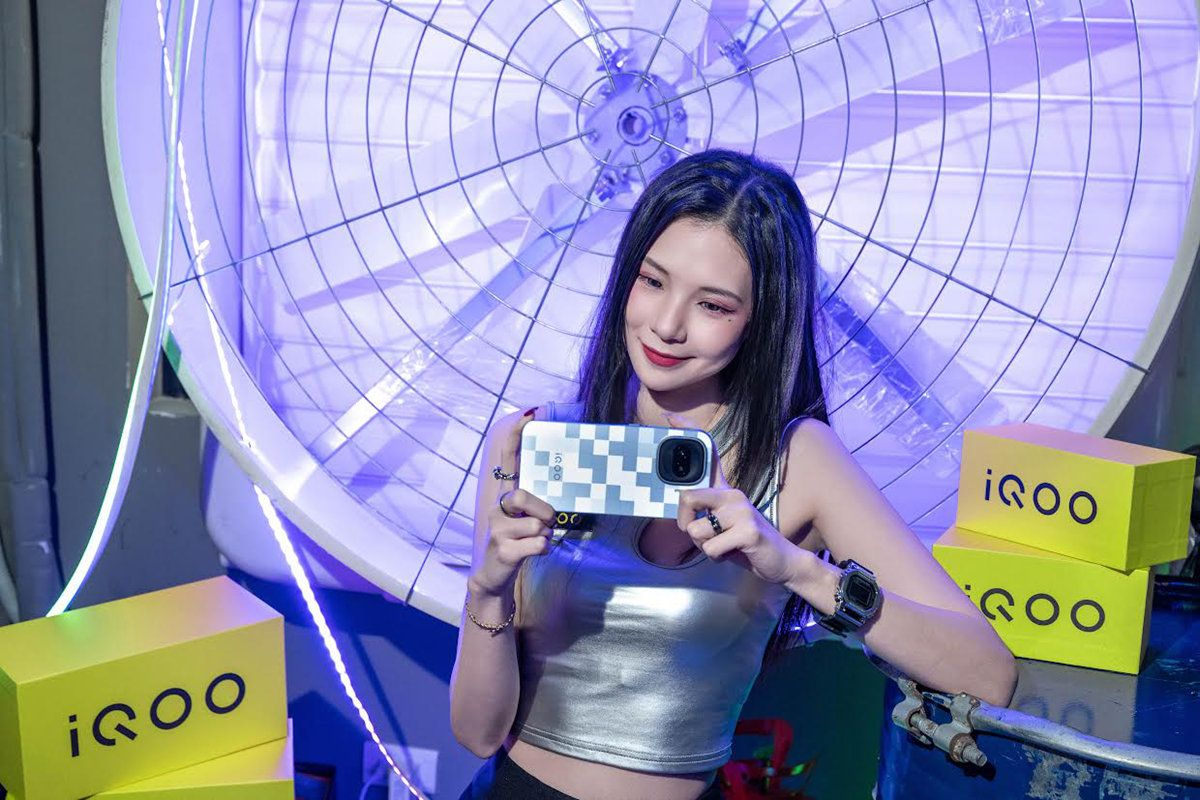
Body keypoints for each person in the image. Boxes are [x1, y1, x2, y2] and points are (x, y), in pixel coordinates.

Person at [450, 149, 1017, 800]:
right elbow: (477, 734)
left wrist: (797, 569)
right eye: (652, 280)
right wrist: (488, 589)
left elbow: (987, 675)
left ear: (761, 319)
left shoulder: (798, 460)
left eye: (713, 306)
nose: (667, 325)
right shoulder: (533, 440)